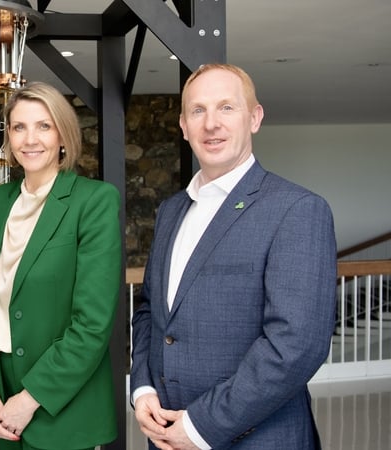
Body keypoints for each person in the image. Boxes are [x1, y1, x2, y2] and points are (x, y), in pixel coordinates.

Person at [130, 63, 337, 449]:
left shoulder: (297, 209)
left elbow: (296, 346)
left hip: (258, 439)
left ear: (254, 118)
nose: (211, 124)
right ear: (184, 126)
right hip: (165, 434)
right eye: (198, 111)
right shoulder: (171, 211)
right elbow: (149, 312)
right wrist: (142, 388)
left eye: (226, 107)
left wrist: (200, 426)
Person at [0, 82, 122, 450]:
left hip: (61, 402)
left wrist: (29, 399)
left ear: (63, 135)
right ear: (9, 137)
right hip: (2, 392)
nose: (30, 139)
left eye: (44, 126)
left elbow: (92, 324)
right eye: (19, 127)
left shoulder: (93, 201)